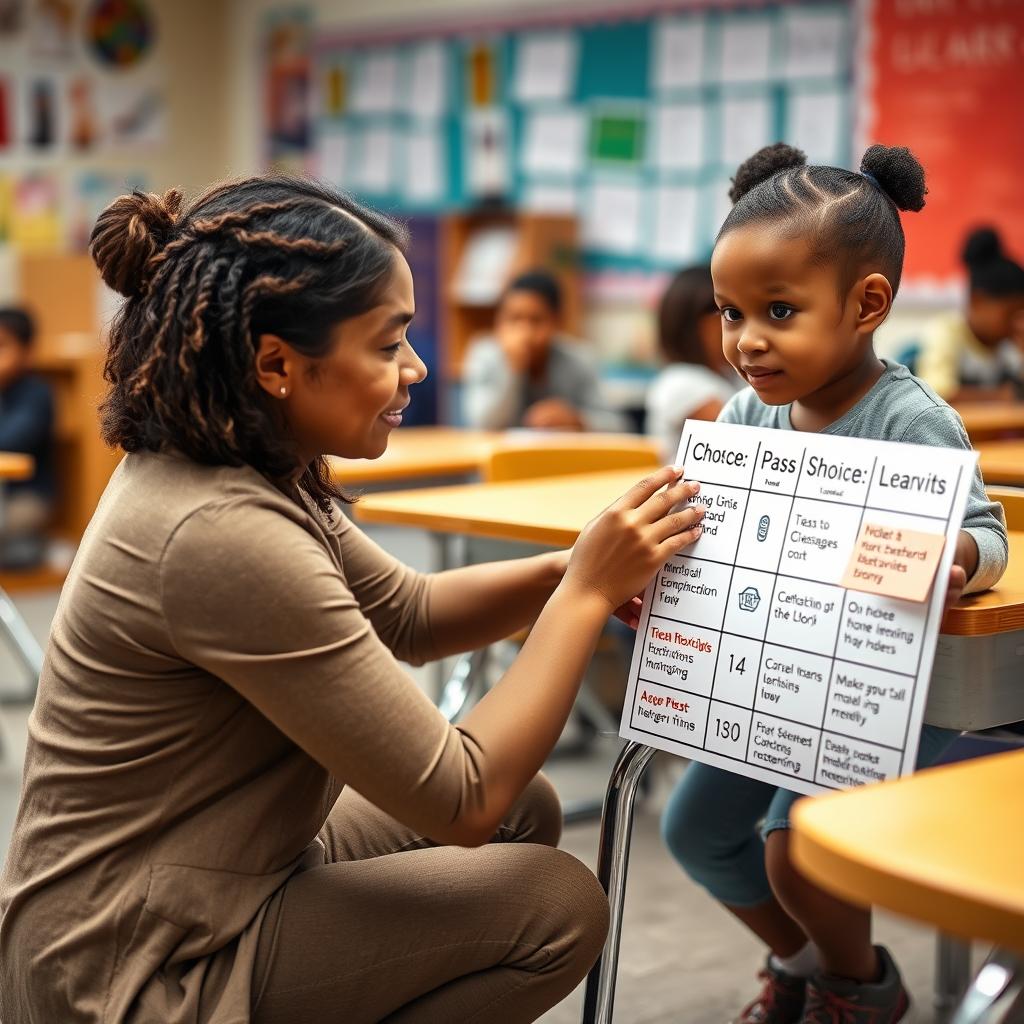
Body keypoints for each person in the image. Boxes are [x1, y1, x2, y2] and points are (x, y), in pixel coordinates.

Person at [0, 177, 707, 1024]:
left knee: (534, 807)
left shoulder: (250, 463)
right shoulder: (220, 532)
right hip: (136, 962)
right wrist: (587, 595)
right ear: (276, 364)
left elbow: (408, 612)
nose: (418, 369)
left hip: (219, 862)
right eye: (387, 344)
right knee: (556, 905)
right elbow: (462, 794)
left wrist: (570, 572)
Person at [660, 144, 1008, 1024]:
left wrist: (954, 560)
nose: (746, 340)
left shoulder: (909, 419)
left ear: (868, 305)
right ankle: (814, 965)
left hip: (882, 689)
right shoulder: (748, 411)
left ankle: (862, 991)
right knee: (693, 830)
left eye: (779, 310)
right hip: (769, 675)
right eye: (731, 312)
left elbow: (986, 532)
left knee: (795, 849)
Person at [462, 269, 626, 431]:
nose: (524, 333)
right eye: (514, 318)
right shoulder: (485, 355)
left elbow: (617, 425)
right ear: (499, 320)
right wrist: (512, 371)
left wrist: (576, 419)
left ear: (557, 322)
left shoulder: (578, 359)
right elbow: (482, 423)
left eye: (536, 320)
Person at [915, 226, 1024, 401]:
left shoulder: (1012, 345)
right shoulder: (947, 331)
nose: (1017, 323)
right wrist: (1001, 397)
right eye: (1010, 314)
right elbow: (935, 393)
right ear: (977, 301)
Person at [645, 264, 740, 461]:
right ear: (690, 324)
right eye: (730, 315)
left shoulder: (729, 377)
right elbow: (742, 441)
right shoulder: (682, 382)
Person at [0, 307, 55, 568]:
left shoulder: (37, 393)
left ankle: (35, 549)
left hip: (27, 497)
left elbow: (12, 439)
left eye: (2, 346)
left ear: (28, 352)